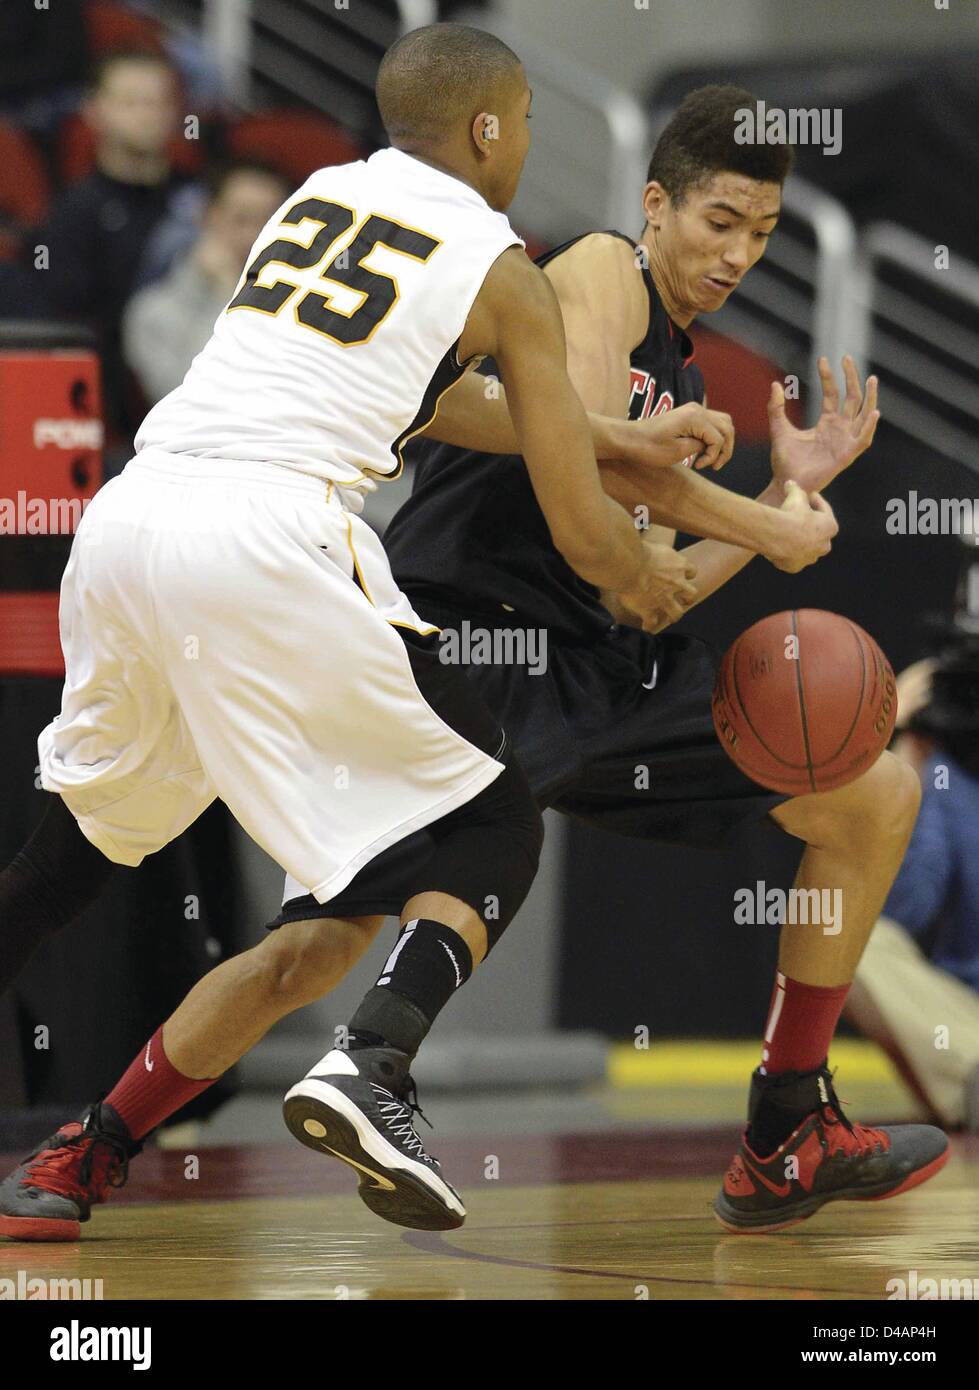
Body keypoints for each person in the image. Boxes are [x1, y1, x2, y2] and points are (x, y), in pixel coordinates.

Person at [0, 24, 798, 1243]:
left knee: (72, 855)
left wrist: (629, 441)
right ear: (489, 129)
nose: (530, 143)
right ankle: (369, 1069)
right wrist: (684, 559)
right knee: (488, 819)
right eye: (527, 118)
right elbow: (592, 545)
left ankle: (98, 1147)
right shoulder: (506, 265)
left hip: (132, 517)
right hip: (270, 538)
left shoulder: (321, 194)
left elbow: (428, 395)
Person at [274, 84, 950, 1234]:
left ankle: (784, 1118)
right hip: (464, 622)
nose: (737, 253)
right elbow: (592, 472)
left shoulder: (680, 378)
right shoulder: (594, 269)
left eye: (761, 234)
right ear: (653, 204)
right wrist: (772, 528)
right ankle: (172, 1115)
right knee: (311, 944)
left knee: (870, 792)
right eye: (719, 222)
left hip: (587, 663)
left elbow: (656, 587)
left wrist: (793, 494)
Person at [846, 645, 979, 1130]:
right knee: (850, 940)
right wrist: (904, 759)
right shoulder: (951, 784)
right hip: (973, 1023)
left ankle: (965, 1083)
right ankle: (970, 1076)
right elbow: (901, 908)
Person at [34, 49, 191, 436]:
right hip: (117, 417)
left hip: (200, 386)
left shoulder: (200, 202)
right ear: (94, 110)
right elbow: (67, 329)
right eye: (130, 101)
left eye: (157, 101)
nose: (146, 113)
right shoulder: (73, 213)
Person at [123, 160, 292, 404]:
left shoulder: (302, 305)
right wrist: (229, 295)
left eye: (268, 222)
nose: (253, 237)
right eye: (241, 219)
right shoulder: (150, 312)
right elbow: (189, 399)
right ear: (208, 216)